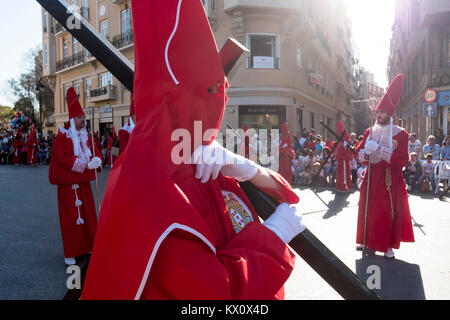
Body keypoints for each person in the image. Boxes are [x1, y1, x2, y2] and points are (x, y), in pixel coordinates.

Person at [82, 0, 305, 300]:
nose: (218, 102)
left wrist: (247, 168)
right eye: (211, 91)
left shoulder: (202, 156)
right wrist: (272, 239)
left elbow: (287, 196)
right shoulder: (153, 188)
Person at [355, 74, 414, 259]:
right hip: (371, 177)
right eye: (378, 112)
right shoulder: (369, 131)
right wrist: (366, 153)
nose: (379, 115)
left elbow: (403, 160)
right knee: (369, 210)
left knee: (388, 212)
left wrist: (380, 150)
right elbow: (359, 153)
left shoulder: (401, 134)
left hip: (390, 179)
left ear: (390, 114)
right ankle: (368, 241)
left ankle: (388, 244)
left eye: (382, 112)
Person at [48, 87, 102, 266]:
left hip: (83, 185)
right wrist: (86, 165)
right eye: (80, 118)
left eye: (84, 118)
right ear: (72, 119)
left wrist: (96, 161)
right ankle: (70, 251)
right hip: (68, 187)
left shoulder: (86, 137)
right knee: (70, 220)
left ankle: (88, 246)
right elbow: (61, 158)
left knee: (88, 217)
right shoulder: (62, 137)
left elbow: (96, 152)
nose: (83, 121)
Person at [333, 121, 353, 192]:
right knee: (341, 174)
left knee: (344, 174)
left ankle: (345, 186)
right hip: (342, 160)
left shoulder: (345, 139)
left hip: (344, 160)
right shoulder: (341, 139)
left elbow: (345, 148)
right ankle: (341, 187)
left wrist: (345, 153)